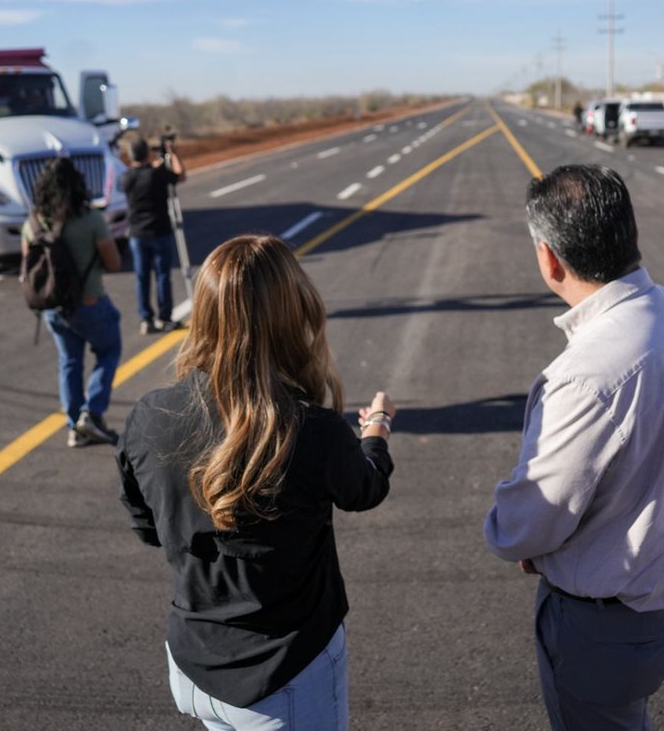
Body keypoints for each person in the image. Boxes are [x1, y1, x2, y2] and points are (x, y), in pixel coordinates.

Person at [115, 234, 396, 730]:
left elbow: (149, 526)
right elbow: (366, 488)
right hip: (283, 676)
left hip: (194, 666)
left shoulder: (148, 416)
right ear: (293, 313)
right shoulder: (312, 430)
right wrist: (377, 429)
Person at [484, 164, 664, 730]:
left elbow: (528, 521)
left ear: (550, 259)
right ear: (628, 233)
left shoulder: (583, 377)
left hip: (603, 626)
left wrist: (519, 537)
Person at [22, 156, 123, 448]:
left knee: (69, 361)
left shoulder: (33, 223)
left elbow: (28, 267)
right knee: (109, 350)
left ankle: (74, 427)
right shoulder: (90, 219)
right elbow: (114, 263)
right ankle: (92, 414)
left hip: (53, 308)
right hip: (89, 303)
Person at [120, 135, 185, 335]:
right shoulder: (157, 174)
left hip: (137, 234)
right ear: (147, 153)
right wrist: (173, 154)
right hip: (159, 231)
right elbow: (180, 175)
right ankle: (165, 318)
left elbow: (138, 173)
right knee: (162, 276)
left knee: (142, 277)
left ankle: (146, 319)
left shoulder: (126, 178)